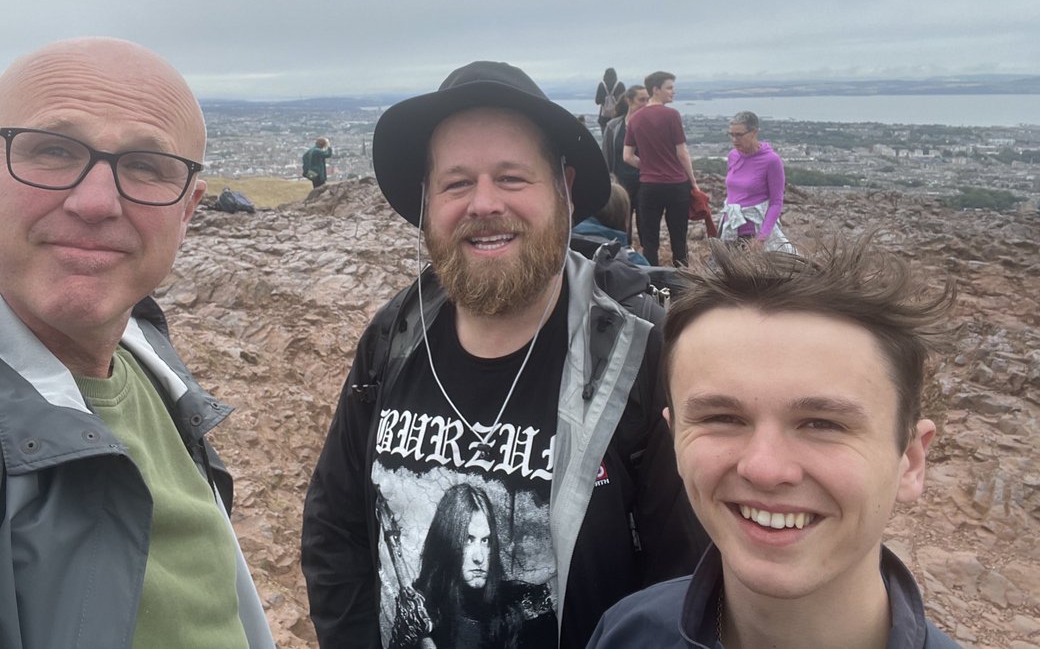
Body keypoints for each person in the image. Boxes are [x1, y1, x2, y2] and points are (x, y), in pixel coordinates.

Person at [0, 38, 274, 648]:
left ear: (188, 211)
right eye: (51, 151)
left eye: (147, 165)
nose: (96, 202)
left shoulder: (151, 361)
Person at [302, 61, 706, 649]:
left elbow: (685, 585)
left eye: (512, 178)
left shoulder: (637, 350)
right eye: (456, 183)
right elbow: (335, 528)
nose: (483, 203)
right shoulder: (397, 332)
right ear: (427, 201)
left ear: (564, 189)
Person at [588, 237, 959, 648]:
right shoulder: (625, 633)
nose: (764, 468)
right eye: (723, 418)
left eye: (822, 424)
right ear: (675, 439)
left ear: (910, 460)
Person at [387, 483, 547, 649]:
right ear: (446, 542)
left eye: (485, 541)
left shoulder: (519, 604)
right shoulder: (420, 608)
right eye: (468, 540)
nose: (479, 557)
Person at [623, 71, 698, 267]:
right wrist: (693, 182)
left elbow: (627, 156)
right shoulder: (672, 115)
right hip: (676, 185)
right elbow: (682, 153)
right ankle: (681, 285)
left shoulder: (635, 119)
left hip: (649, 186)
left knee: (650, 242)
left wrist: (647, 165)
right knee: (679, 241)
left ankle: (652, 287)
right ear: (655, 90)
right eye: (669, 87)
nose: (673, 92)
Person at [720, 111, 794, 252]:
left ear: (754, 132)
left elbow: (776, 202)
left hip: (753, 234)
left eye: (739, 135)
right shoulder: (732, 156)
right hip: (730, 230)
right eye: (732, 135)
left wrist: (761, 238)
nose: (734, 140)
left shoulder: (771, 160)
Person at [601, 86, 647, 244]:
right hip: (621, 183)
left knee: (645, 226)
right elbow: (607, 155)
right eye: (642, 100)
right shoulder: (613, 127)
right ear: (629, 101)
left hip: (644, 183)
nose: (646, 103)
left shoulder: (649, 126)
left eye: (647, 100)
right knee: (621, 226)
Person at [594, 67, 625, 135]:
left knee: (605, 138)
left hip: (604, 117)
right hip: (617, 116)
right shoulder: (620, 85)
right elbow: (624, 101)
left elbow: (597, 101)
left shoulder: (602, 85)